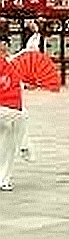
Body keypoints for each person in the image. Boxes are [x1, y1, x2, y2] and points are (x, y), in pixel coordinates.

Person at [0, 36, 29, 191]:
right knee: (22, 117)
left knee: (7, 147)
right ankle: (25, 145)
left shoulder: (12, 63)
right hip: (3, 108)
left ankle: (4, 179)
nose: (3, 48)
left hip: (11, 107)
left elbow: (19, 85)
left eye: (5, 46)